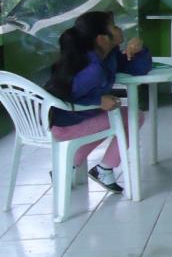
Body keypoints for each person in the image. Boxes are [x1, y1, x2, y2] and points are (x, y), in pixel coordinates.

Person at [45, 11, 152, 192]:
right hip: (64, 125)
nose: (120, 29)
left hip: (80, 118)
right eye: (115, 27)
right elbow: (60, 96)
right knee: (132, 117)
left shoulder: (107, 55)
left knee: (117, 119)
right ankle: (104, 169)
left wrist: (139, 49)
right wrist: (97, 100)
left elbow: (138, 68)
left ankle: (67, 168)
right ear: (102, 39)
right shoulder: (91, 69)